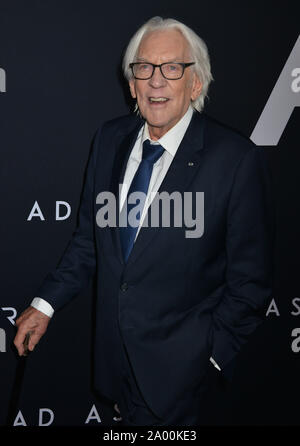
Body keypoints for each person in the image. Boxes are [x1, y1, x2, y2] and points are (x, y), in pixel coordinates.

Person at [14, 16, 274, 426]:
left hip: (186, 386)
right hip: (116, 370)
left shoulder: (234, 160)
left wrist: (210, 357)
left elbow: (251, 282)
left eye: (172, 68)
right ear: (131, 83)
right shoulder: (108, 140)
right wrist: (44, 305)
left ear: (196, 83)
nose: (156, 81)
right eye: (144, 68)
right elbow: (89, 241)